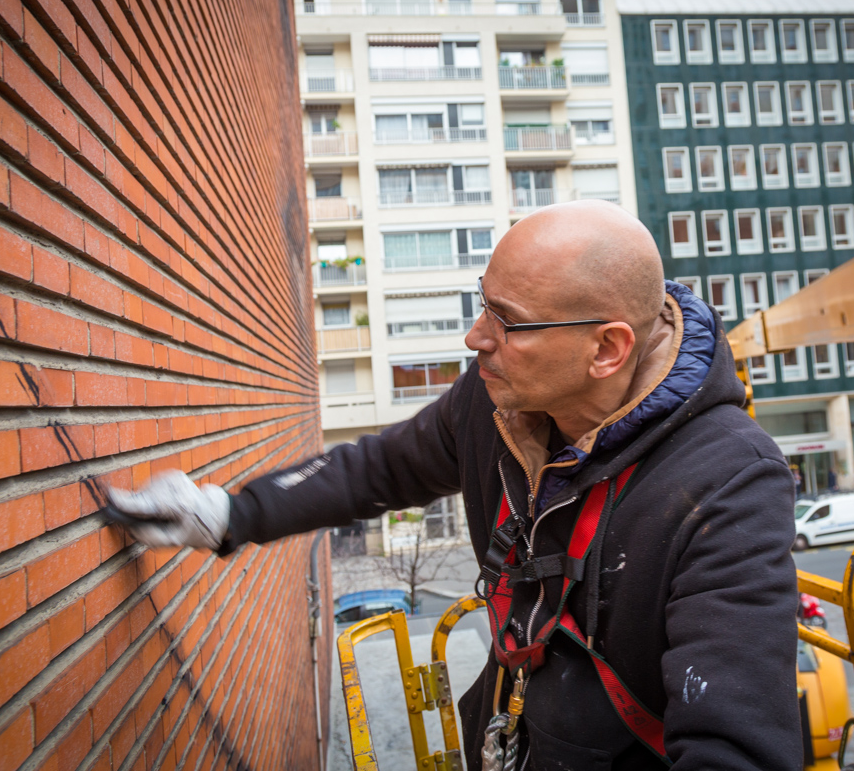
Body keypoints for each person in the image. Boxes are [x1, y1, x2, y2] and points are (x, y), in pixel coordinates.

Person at [107, 201, 802, 770]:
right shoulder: (496, 400)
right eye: (482, 306)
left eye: (509, 321)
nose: (476, 338)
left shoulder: (729, 482)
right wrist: (230, 511)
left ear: (608, 348)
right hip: (509, 736)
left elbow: (733, 738)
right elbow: (382, 468)